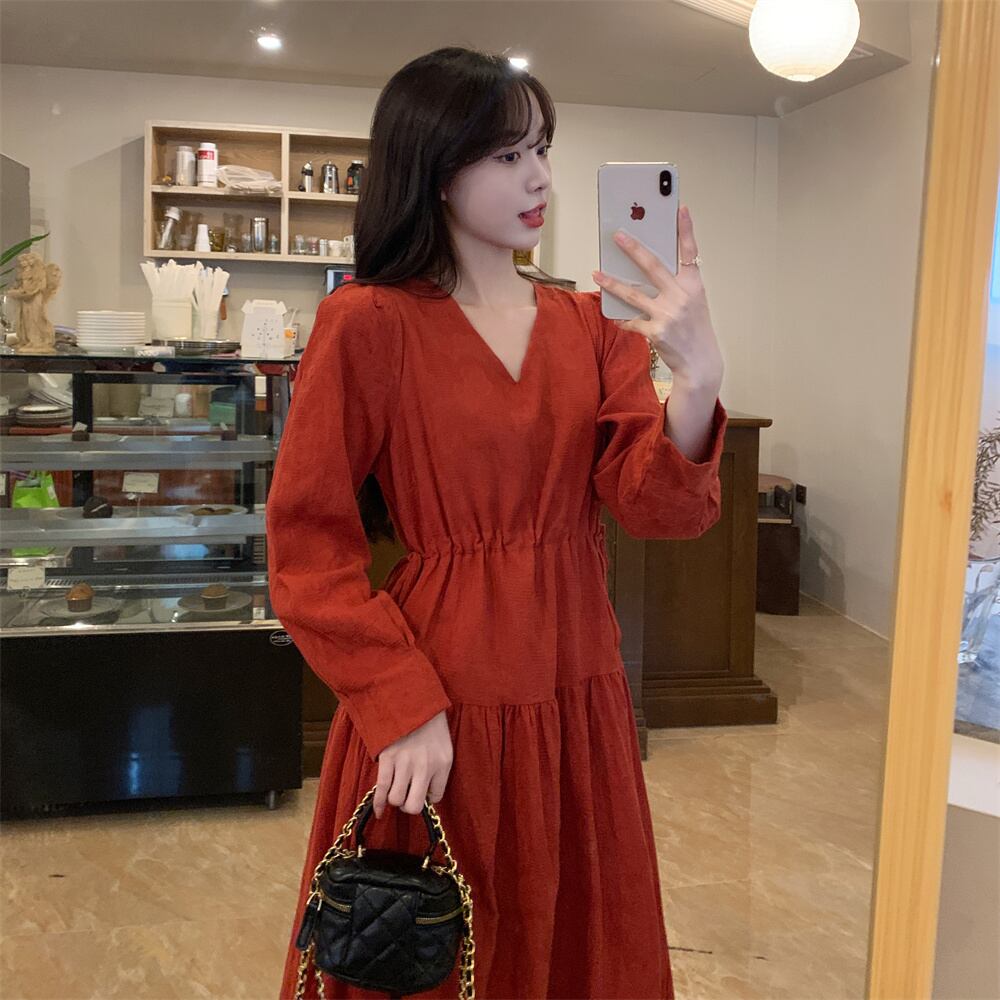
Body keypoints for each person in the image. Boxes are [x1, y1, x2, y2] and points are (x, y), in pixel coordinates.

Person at [267, 45, 728, 1000]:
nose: (539, 178)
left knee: (574, 943)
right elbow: (308, 545)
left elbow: (655, 507)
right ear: (436, 170)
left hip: (576, 686)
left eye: (542, 149)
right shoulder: (369, 322)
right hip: (438, 697)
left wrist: (698, 380)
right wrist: (398, 704)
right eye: (507, 155)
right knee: (440, 948)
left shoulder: (591, 324)